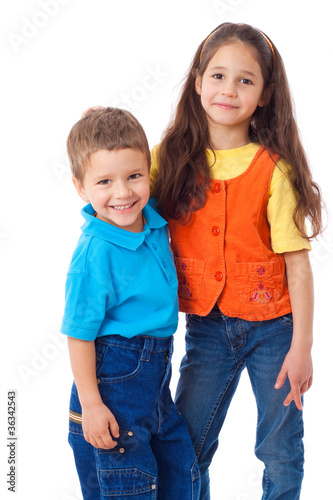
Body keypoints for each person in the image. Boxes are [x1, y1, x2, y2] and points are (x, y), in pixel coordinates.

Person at [151, 23, 324, 500]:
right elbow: (116, 178)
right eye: (218, 76)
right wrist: (96, 133)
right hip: (207, 328)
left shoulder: (275, 169)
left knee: (280, 448)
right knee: (188, 446)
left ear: (265, 93)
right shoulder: (169, 158)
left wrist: (302, 347)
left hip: (275, 329)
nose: (229, 89)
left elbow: (299, 266)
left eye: (245, 80)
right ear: (197, 82)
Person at [61, 107, 200, 500]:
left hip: (155, 380)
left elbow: (172, 152)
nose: (122, 193)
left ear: (148, 171)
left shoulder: (150, 216)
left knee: (180, 472)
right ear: (80, 187)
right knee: (129, 483)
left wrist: (101, 118)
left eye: (134, 176)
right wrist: (91, 404)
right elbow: (78, 335)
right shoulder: (94, 253)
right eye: (104, 181)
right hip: (112, 380)